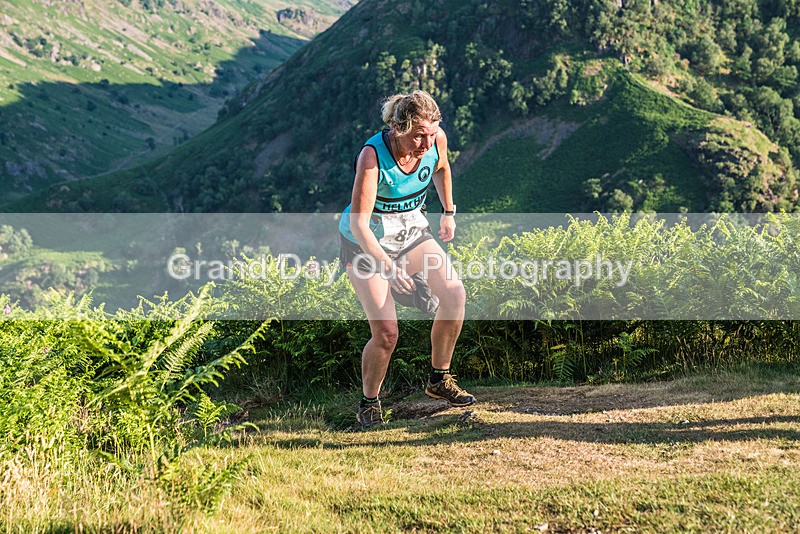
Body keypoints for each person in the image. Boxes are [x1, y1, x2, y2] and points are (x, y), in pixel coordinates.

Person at [339, 90, 476, 429]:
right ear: (398, 127)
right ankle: (369, 403)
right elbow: (358, 224)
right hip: (365, 244)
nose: (426, 143)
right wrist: (388, 267)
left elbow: (442, 168)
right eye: (418, 136)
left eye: (430, 134)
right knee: (386, 333)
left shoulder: (435, 140)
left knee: (454, 294)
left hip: (411, 233)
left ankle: (439, 379)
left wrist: (448, 212)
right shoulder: (372, 157)